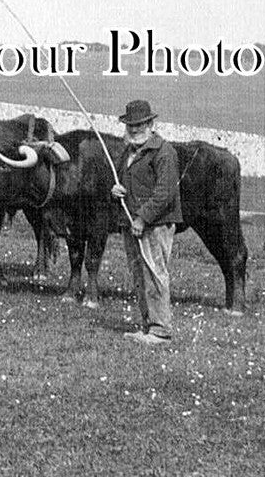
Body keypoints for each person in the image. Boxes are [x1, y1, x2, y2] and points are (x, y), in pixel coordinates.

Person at [110, 99, 182, 346]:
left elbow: (165, 192)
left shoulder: (164, 152)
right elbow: (129, 182)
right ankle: (148, 325)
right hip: (132, 222)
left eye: (140, 124)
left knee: (154, 273)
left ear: (151, 124)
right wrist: (118, 190)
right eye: (130, 124)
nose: (134, 129)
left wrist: (143, 218)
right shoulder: (128, 151)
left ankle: (161, 330)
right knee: (139, 274)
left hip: (155, 223)